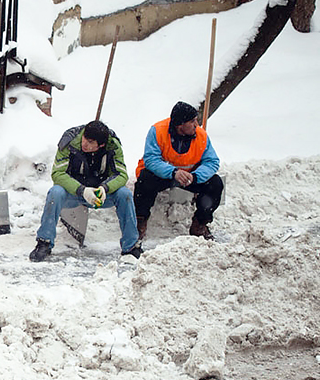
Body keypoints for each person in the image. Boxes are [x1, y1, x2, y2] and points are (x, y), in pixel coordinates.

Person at [29, 120, 140, 262]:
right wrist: (81, 190)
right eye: (84, 138)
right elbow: (58, 174)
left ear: (101, 145)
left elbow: (121, 174)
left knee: (125, 194)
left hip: (101, 194)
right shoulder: (69, 141)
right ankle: (44, 242)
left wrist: (105, 188)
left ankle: (131, 246)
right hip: (73, 193)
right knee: (55, 192)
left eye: (90, 142)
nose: (84, 143)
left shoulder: (114, 146)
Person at [133, 101, 223, 241]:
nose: (196, 125)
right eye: (192, 121)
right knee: (145, 179)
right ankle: (140, 221)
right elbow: (151, 159)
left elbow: (212, 161)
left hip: (190, 177)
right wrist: (173, 172)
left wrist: (195, 176)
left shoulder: (201, 136)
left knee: (215, 183)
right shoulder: (157, 131)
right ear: (180, 124)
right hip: (163, 175)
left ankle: (200, 224)